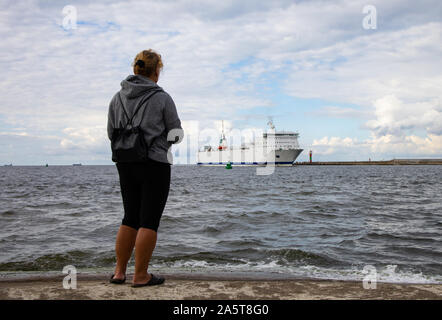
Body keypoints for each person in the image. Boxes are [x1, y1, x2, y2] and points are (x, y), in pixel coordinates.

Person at [107, 49, 182, 287]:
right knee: (148, 220)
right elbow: (175, 132)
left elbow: (111, 132)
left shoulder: (117, 98)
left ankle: (119, 273)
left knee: (129, 217)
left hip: (125, 162)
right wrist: (165, 142)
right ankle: (140, 276)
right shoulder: (162, 97)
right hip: (154, 163)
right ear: (156, 72)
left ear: (135, 69)